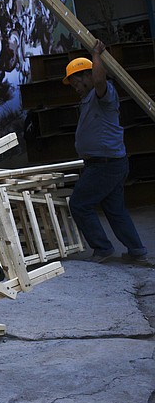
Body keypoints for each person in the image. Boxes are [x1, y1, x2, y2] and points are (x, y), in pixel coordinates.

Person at [63, 40, 148, 264]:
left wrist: (96, 54)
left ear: (89, 75)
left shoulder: (104, 93)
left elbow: (100, 78)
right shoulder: (88, 100)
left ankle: (102, 248)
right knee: (115, 209)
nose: (77, 87)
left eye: (79, 82)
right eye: (73, 85)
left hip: (105, 164)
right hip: (109, 163)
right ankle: (136, 251)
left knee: (79, 204)